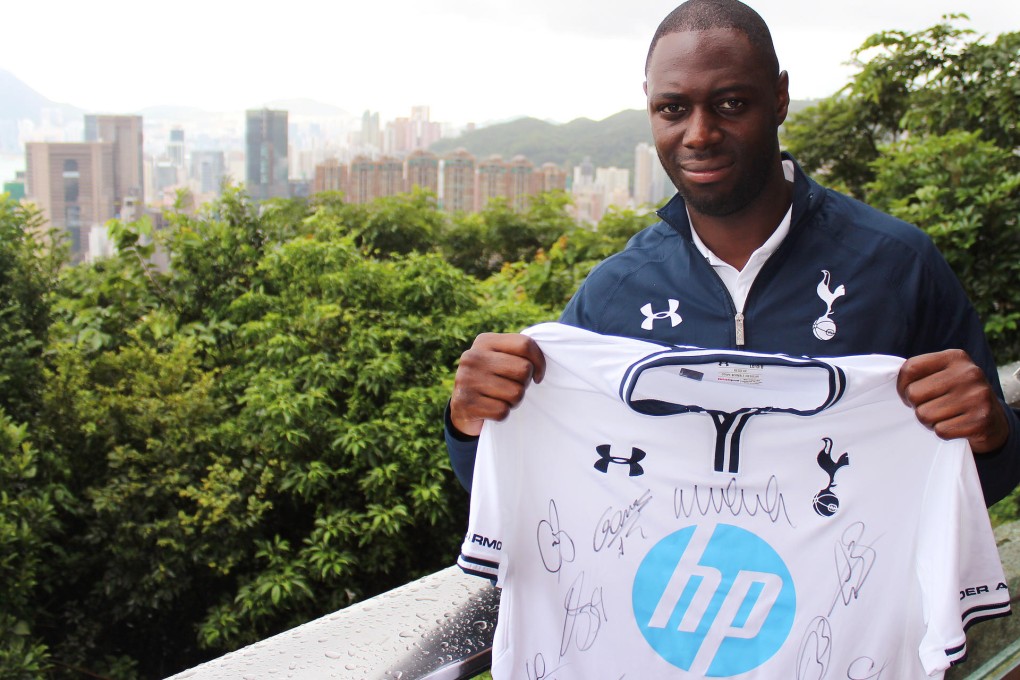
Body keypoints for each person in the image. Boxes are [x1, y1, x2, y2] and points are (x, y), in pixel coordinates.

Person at [445, 0, 1019, 507]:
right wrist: (473, 425)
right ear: (650, 109)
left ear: (779, 98)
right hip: (672, 618)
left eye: (730, 103)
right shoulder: (614, 296)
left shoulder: (898, 266)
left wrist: (992, 435)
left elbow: (988, 478)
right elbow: (545, 484)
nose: (698, 133)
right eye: (673, 109)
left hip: (855, 617)